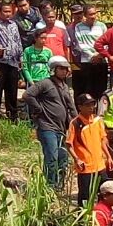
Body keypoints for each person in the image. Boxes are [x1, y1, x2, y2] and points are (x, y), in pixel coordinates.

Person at [24, 57, 77, 189]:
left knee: (63, 158)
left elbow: (71, 106)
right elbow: (27, 95)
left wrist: (77, 122)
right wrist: (38, 108)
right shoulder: (45, 83)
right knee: (51, 157)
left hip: (61, 128)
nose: (64, 71)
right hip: (47, 127)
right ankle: (50, 186)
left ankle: (60, 185)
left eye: (66, 68)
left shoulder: (65, 86)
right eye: (61, 68)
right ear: (54, 69)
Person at [66, 93, 113, 207]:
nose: (91, 107)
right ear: (80, 107)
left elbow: (102, 140)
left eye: (92, 104)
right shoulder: (76, 123)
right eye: (87, 105)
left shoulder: (97, 120)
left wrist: (109, 156)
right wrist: (77, 159)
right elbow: (69, 144)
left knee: (105, 192)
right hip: (85, 167)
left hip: (100, 165)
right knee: (85, 197)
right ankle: (83, 220)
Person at [0, 0, 24, 120]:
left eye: (9, 11)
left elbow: (18, 41)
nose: (8, 14)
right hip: (0, 63)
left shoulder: (13, 25)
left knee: (12, 90)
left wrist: (20, 58)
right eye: (5, 11)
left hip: (13, 62)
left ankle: (13, 115)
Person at [71, 5, 107, 99]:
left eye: (94, 13)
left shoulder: (102, 26)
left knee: (101, 90)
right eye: (90, 14)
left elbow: (106, 43)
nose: (93, 16)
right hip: (86, 62)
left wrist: (99, 55)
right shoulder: (79, 27)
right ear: (85, 15)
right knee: (88, 90)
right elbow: (80, 44)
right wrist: (92, 56)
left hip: (101, 61)